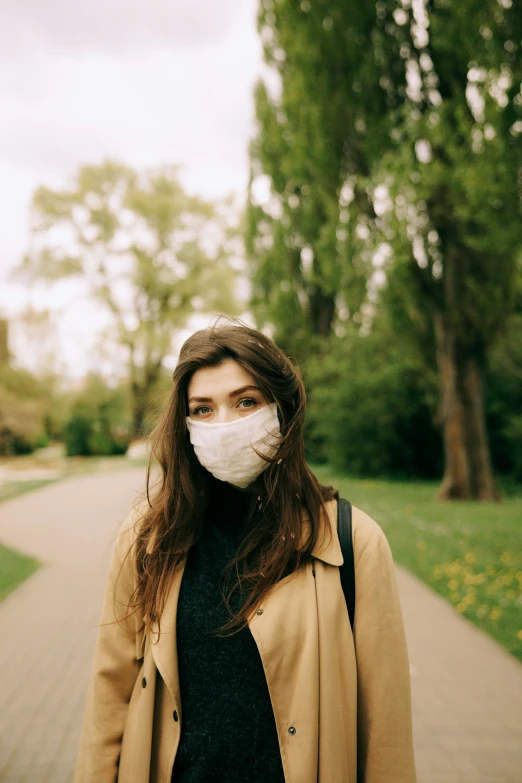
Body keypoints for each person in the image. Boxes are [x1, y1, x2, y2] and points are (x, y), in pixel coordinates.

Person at [74, 318, 417, 783]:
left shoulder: (351, 542)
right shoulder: (150, 537)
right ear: (184, 424)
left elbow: (385, 729)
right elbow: (109, 695)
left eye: (246, 402)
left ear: (283, 408)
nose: (225, 424)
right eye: (203, 409)